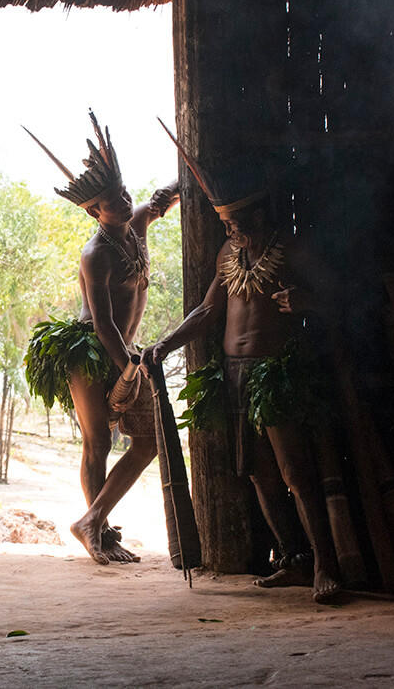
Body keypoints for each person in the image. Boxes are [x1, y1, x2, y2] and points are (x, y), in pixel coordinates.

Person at [144, 129, 342, 603]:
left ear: (256, 214)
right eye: (225, 224)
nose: (230, 231)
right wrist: (164, 344)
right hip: (235, 374)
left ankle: (325, 564)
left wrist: (306, 301)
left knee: (295, 471)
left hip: (275, 371)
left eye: (235, 222)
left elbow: (341, 299)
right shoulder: (228, 254)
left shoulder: (291, 249)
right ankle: (293, 559)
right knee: (258, 472)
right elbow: (209, 311)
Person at [22, 113, 178, 564]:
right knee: (99, 444)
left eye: (124, 193)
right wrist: (127, 366)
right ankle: (100, 534)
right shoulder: (95, 254)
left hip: (127, 355)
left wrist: (191, 173)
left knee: (148, 442)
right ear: (94, 211)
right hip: (92, 353)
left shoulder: (137, 224)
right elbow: (105, 323)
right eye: (113, 200)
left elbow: (165, 195)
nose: (125, 202)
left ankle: (91, 521)